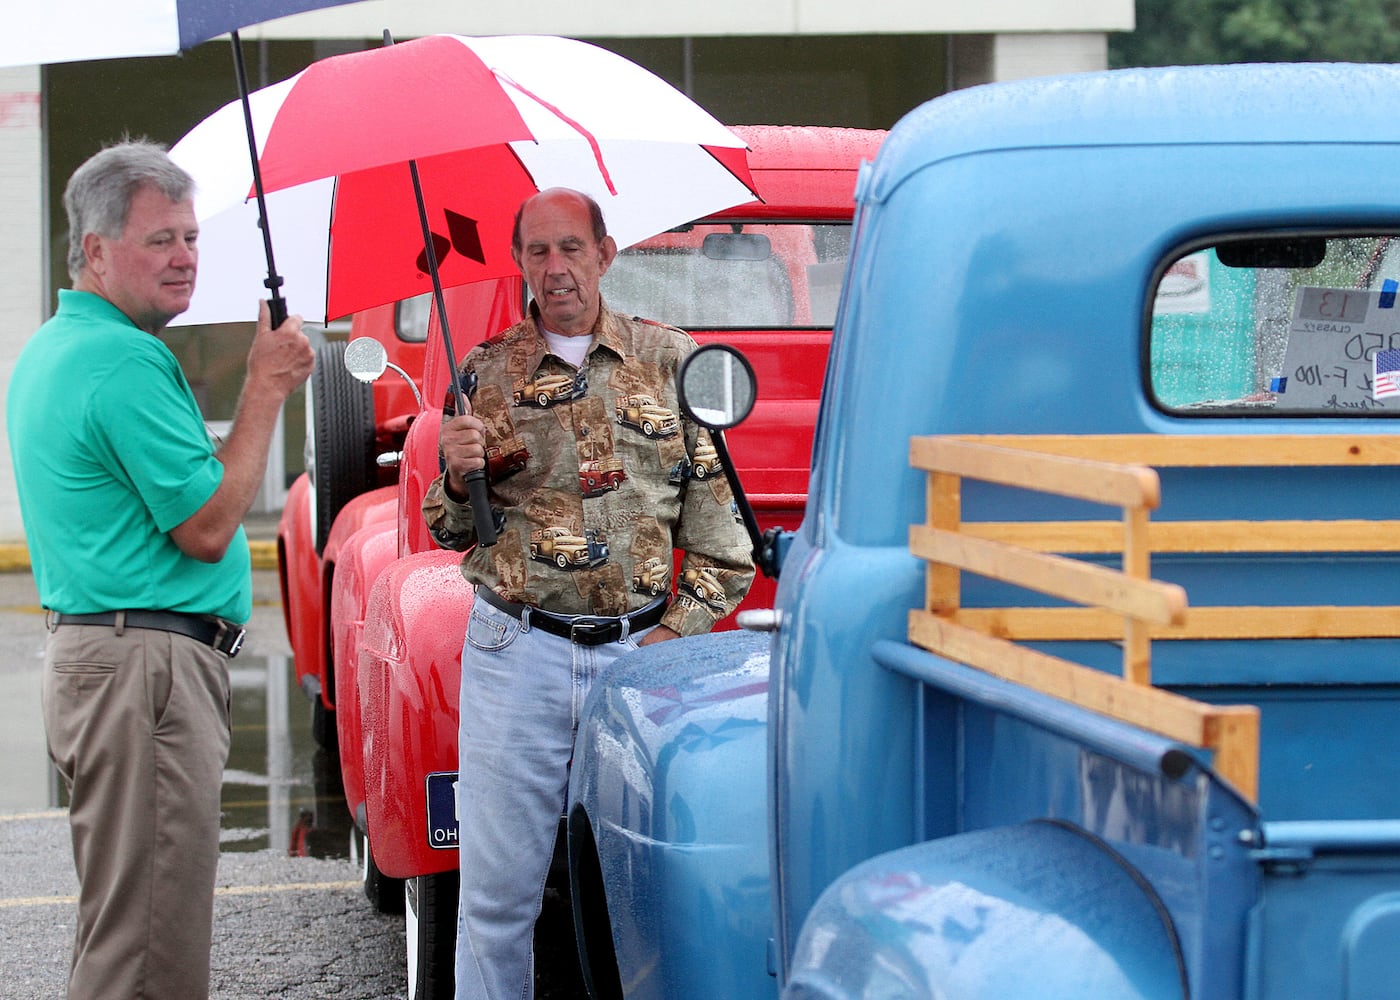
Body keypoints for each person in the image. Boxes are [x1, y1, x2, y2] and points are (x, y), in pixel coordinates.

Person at [424, 187, 755, 999]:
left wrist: (667, 646)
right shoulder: (484, 375)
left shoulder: (670, 360)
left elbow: (726, 546)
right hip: (516, 653)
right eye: (537, 250)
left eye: (571, 247)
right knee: (497, 904)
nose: (556, 267)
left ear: (607, 254)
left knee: (642, 898)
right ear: (519, 263)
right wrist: (453, 468)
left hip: (640, 661)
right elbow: (447, 530)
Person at [6, 140, 314, 1000]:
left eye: (189, 236)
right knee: (149, 954)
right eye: (159, 240)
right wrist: (264, 390)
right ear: (95, 250)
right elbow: (211, 529)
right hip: (144, 673)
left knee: (126, 932)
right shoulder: (121, 361)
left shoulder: (59, 346)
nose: (183, 257)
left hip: (110, 664)